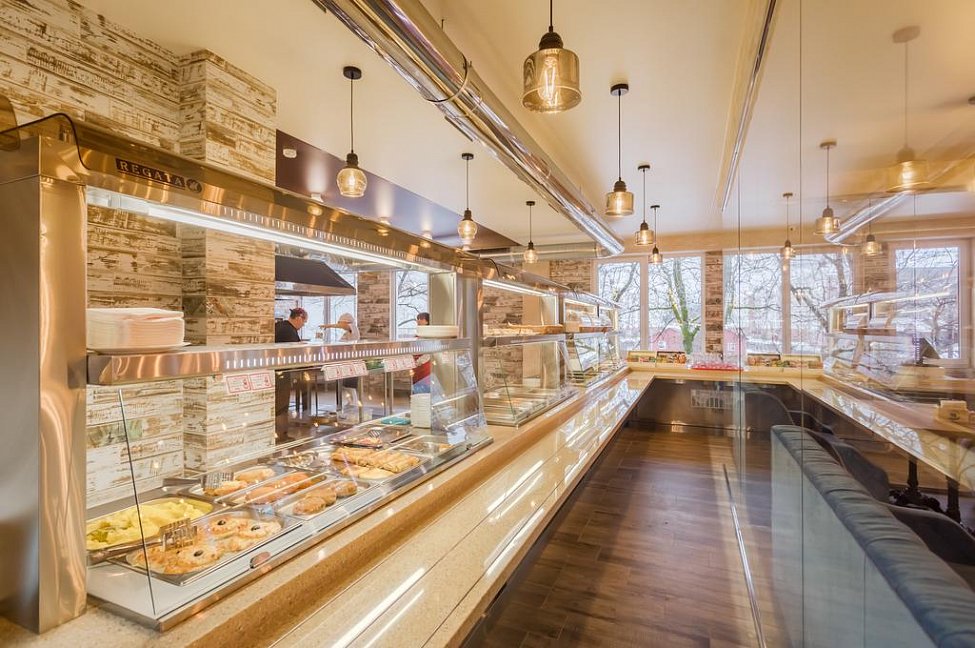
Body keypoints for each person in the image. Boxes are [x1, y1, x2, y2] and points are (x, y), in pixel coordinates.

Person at [274, 307, 308, 442]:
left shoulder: (280, 326)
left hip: (276, 370)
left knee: (278, 403)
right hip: (282, 371)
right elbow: (296, 351)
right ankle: (281, 436)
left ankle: (278, 434)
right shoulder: (289, 331)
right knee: (281, 404)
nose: (303, 325)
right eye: (304, 322)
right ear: (299, 318)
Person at [412, 312, 432, 394]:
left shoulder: (429, 334)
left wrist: (418, 362)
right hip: (416, 366)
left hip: (424, 365)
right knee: (416, 388)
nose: (418, 320)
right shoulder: (418, 334)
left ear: (427, 321)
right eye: (418, 319)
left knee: (424, 389)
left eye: (421, 319)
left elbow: (429, 353)